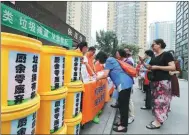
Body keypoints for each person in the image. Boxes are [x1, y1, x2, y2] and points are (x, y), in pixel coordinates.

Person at [140, 39, 175, 129]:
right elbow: (149, 67)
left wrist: (158, 67)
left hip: (163, 82)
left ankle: (158, 122)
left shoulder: (167, 54)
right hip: (155, 82)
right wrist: (143, 62)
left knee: (161, 102)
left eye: (153, 45)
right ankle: (158, 119)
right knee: (155, 102)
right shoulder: (155, 57)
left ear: (159, 45)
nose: (152, 47)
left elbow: (172, 67)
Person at [96, 51, 133, 133]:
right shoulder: (111, 59)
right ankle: (121, 122)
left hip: (124, 84)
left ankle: (123, 126)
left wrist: (96, 78)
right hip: (124, 84)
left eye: (98, 60)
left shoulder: (109, 60)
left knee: (124, 106)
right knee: (121, 104)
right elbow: (110, 73)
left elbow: (105, 75)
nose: (98, 62)